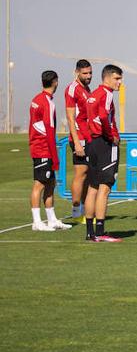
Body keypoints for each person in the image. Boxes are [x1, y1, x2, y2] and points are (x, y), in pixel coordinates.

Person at [83, 64, 125, 243]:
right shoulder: (106, 94)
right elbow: (103, 117)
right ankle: (100, 232)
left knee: (92, 187)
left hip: (92, 143)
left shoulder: (93, 95)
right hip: (104, 144)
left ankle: (90, 232)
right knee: (104, 188)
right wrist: (112, 136)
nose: (119, 82)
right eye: (117, 78)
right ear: (106, 78)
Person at [28, 70, 70, 231]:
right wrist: (55, 156)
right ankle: (37, 222)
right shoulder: (46, 102)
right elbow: (49, 130)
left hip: (40, 147)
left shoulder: (37, 99)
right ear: (55, 82)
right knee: (39, 185)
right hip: (42, 149)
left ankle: (51, 219)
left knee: (50, 184)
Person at [63, 59, 92, 220]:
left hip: (88, 137)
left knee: (88, 174)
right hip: (79, 138)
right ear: (77, 72)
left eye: (90, 73)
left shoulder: (86, 89)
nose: (88, 76)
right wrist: (76, 142)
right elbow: (70, 117)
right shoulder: (72, 89)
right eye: (85, 73)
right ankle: (76, 209)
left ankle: (84, 207)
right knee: (80, 173)